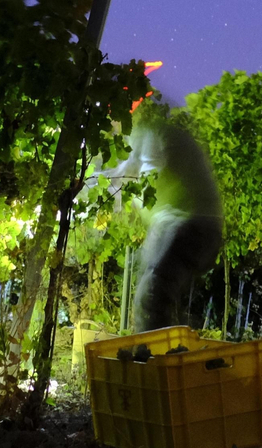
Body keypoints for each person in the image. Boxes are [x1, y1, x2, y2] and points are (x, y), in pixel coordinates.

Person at [92, 121, 223, 334]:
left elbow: (150, 172)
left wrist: (120, 178)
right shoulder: (138, 143)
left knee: (153, 291)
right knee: (152, 293)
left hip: (191, 223)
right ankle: (168, 352)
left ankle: (154, 359)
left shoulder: (144, 134)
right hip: (185, 225)